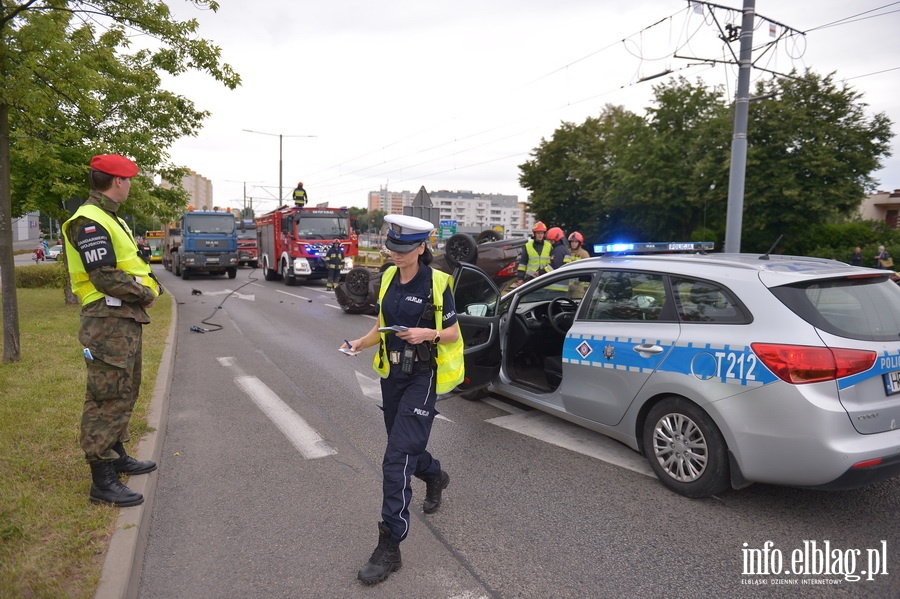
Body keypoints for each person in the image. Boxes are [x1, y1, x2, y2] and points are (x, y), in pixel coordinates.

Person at [343, 214, 464, 586]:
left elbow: (453, 333)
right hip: (392, 376)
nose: (395, 255)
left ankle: (389, 544)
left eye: (403, 250)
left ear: (422, 248)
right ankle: (436, 475)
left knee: (396, 460)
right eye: (392, 248)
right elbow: (381, 323)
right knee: (405, 448)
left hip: (421, 377)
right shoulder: (389, 278)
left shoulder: (439, 283)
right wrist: (359, 344)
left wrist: (429, 332)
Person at [62, 154, 162, 508]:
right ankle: (101, 480)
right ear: (117, 181)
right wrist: (145, 294)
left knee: (124, 391)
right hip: (105, 321)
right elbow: (103, 275)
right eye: (129, 180)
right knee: (105, 397)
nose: (131, 185)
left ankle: (116, 454)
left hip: (120, 320)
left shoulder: (107, 218)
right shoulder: (89, 221)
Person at [514, 221, 551, 286]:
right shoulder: (528, 246)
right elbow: (522, 263)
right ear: (534, 234)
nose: (540, 235)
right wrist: (520, 278)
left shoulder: (549, 246)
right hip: (530, 278)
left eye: (542, 233)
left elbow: (552, 262)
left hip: (545, 277)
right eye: (538, 233)